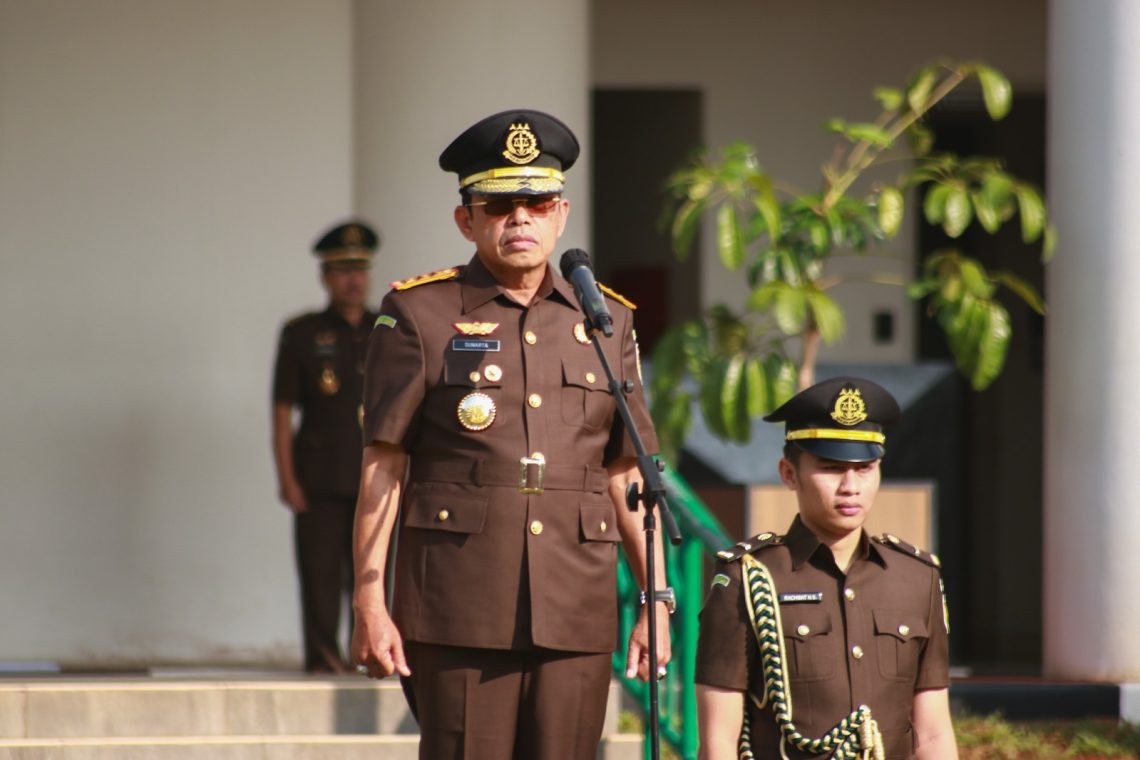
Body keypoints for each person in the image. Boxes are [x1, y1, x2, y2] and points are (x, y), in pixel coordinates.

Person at [350, 109, 671, 759]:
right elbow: (384, 462)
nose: (519, 218)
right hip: (459, 599)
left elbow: (625, 471)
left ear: (561, 214)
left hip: (576, 599)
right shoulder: (419, 313)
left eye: (537, 201)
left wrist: (655, 597)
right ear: (466, 221)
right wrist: (368, 597)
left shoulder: (607, 320)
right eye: (499, 204)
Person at [695, 376, 958, 760]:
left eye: (865, 468)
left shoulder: (917, 579)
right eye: (832, 468)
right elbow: (719, 740)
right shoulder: (746, 580)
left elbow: (933, 733)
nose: (851, 486)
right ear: (789, 474)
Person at [271, 220, 379, 674]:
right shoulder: (301, 333)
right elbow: (281, 410)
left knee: (372, 574)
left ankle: (374, 655)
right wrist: (287, 478)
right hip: (318, 478)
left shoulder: (387, 329)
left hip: (376, 480)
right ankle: (323, 661)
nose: (352, 279)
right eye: (341, 270)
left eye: (358, 269)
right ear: (325, 277)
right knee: (319, 577)